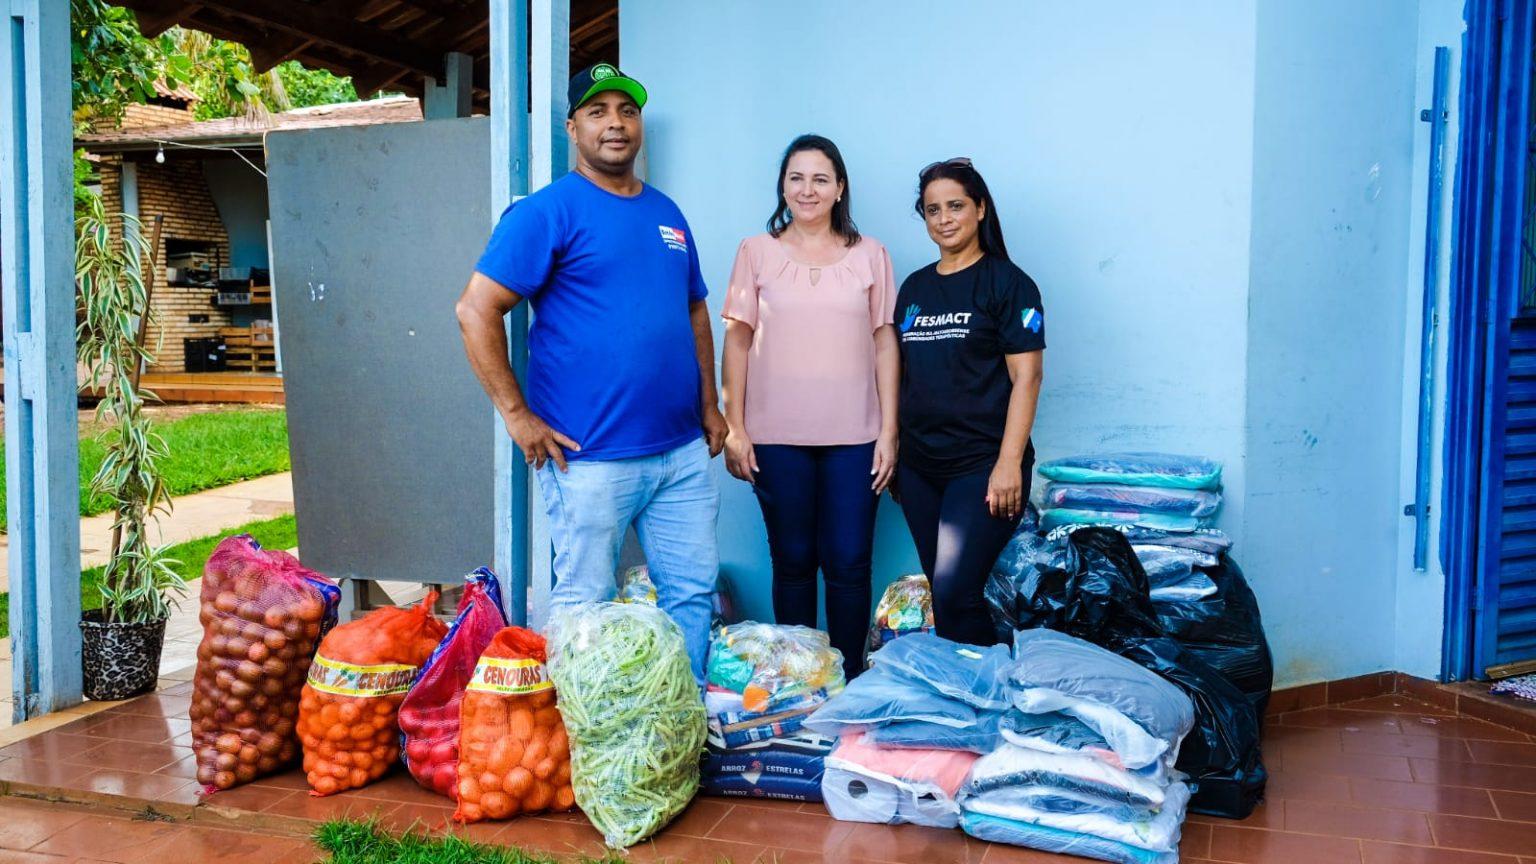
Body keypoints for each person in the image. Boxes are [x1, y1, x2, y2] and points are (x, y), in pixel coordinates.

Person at [455, 63, 728, 683]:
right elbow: (475, 310)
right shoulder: (547, 212)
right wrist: (517, 415)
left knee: (690, 595)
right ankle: (589, 741)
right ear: (573, 128)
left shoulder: (666, 213)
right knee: (585, 605)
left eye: (626, 112)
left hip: (682, 452)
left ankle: (675, 724)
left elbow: (693, 309)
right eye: (599, 112)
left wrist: (709, 405)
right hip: (590, 458)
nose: (615, 123)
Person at [720, 135, 898, 680]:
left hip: (856, 437)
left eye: (821, 178)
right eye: (796, 178)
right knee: (793, 565)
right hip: (775, 437)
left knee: (848, 565)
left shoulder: (871, 254)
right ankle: (799, 683)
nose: (808, 189)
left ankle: (847, 682)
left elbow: (885, 341)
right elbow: (737, 340)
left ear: (840, 187)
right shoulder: (756, 251)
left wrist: (889, 431)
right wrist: (735, 427)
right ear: (782, 185)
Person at [894, 158, 1045, 646]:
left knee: (957, 592)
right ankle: (965, 704)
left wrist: (1008, 465)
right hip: (919, 467)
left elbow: (1028, 377)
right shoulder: (914, 289)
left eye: (955, 205)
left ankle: (991, 696)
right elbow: (902, 377)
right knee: (946, 595)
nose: (944, 218)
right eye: (932, 209)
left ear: (980, 208)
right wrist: (896, 455)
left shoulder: (1008, 283)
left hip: (981, 465)